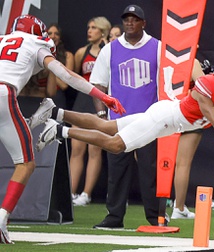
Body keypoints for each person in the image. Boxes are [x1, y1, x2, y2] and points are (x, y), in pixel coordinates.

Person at [36, 49, 214, 192]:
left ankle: (55, 112)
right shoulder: (207, 85)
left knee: (107, 126)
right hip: (165, 119)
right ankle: (60, 131)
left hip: (171, 118)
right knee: (116, 144)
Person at [0, 14, 124, 244]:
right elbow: (66, 75)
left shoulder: (3, 39)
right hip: (3, 94)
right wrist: (102, 96)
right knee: (26, 164)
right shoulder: (35, 43)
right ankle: (1, 219)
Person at [91, 4, 165, 228]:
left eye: (135, 19)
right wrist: (103, 115)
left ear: (144, 23)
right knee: (117, 171)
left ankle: (156, 218)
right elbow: (97, 84)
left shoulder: (157, 47)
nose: (130, 23)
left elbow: (167, 81)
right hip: (118, 121)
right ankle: (114, 217)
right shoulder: (111, 49)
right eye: (126, 19)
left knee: (150, 171)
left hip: (149, 120)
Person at [70, 17, 111, 206]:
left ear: (103, 31)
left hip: (99, 102)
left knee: (95, 149)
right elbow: (76, 77)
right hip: (82, 101)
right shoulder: (81, 52)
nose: (89, 30)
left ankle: (86, 194)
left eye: (94, 28)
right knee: (76, 149)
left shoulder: (110, 50)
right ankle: (71, 192)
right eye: (88, 27)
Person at [171, 58, 205, 219]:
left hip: (166, 113)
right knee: (182, 163)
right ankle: (177, 207)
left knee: (164, 162)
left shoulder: (161, 58)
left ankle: (173, 206)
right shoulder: (192, 62)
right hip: (186, 114)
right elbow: (204, 88)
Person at [46, 23, 75, 109]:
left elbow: (64, 85)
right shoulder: (38, 54)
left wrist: (49, 66)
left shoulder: (68, 56)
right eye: (49, 33)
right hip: (40, 95)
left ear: (60, 38)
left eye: (56, 34)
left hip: (57, 96)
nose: (53, 36)